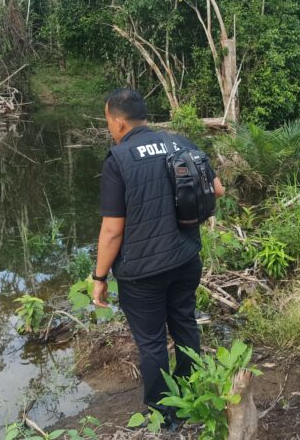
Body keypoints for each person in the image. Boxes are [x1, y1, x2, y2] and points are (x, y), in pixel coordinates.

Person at [91, 88, 225, 424]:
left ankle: (165, 414)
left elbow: (112, 231)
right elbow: (218, 189)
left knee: (151, 342)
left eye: (108, 121)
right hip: (185, 258)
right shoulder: (180, 143)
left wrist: (99, 278)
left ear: (118, 122)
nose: (109, 127)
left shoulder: (118, 159)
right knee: (183, 322)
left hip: (142, 272)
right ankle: (191, 388)